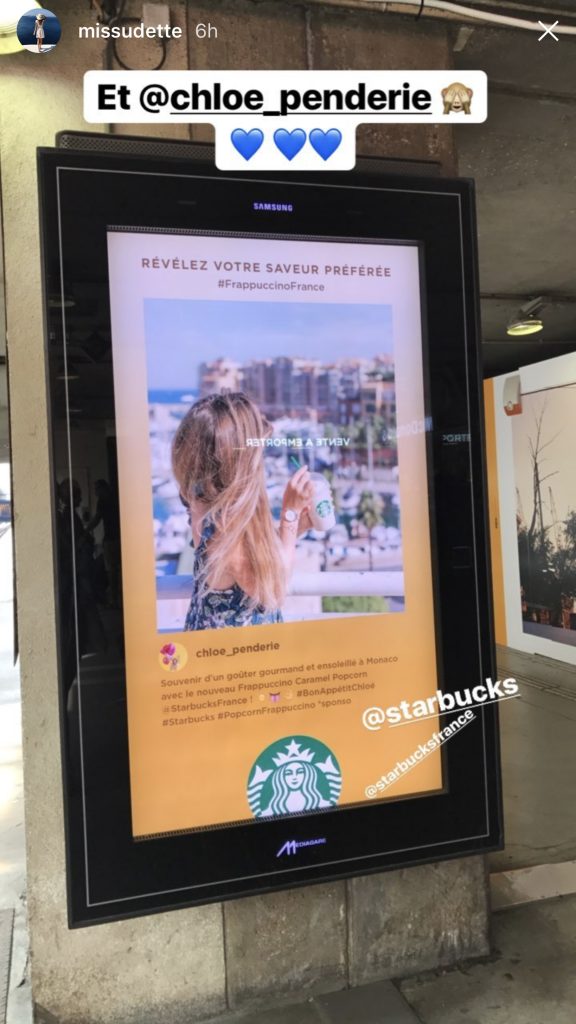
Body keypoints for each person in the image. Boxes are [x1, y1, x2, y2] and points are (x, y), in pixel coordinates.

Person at [171, 392, 313, 630]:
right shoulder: (224, 524)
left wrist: (294, 529)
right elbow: (273, 592)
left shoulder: (205, 504)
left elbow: (249, 564)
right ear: (238, 457)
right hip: (237, 659)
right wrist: (290, 512)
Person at [86, 480, 121, 607]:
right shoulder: (117, 498)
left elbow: (96, 519)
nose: (95, 493)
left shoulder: (103, 501)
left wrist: (86, 530)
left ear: (102, 489)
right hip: (120, 538)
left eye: (97, 489)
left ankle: (114, 600)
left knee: (111, 571)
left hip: (111, 540)